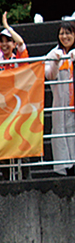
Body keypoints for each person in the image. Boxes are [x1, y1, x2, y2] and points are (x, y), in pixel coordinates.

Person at [46, 22, 75, 176]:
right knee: (61, 134)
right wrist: (56, 62)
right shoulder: (53, 54)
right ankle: (66, 168)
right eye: (62, 33)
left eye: (68, 33)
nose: (65, 37)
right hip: (60, 103)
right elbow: (49, 76)